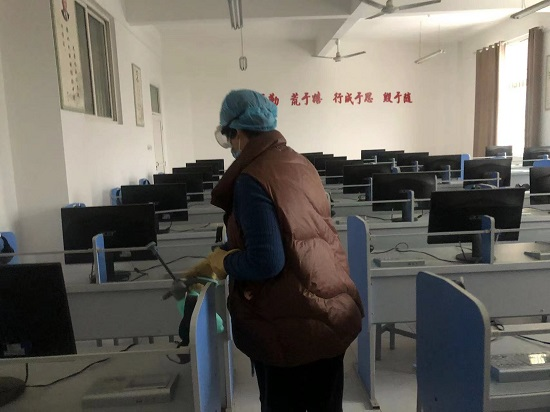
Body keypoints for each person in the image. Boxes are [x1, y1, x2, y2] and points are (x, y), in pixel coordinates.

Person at [185, 89, 363, 412]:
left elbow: (267, 261)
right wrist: (223, 253)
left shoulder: (251, 179)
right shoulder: (299, 163)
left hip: (289, 326)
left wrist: (225, 261)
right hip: (328, 312)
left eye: (229, 137)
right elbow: (289, 232)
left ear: (238, 133)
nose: (231, 147)